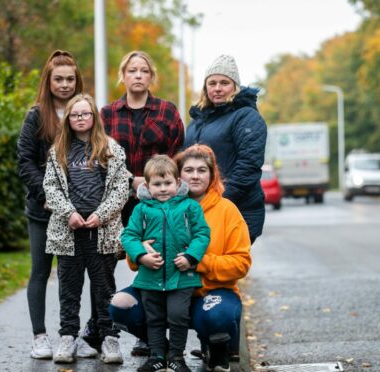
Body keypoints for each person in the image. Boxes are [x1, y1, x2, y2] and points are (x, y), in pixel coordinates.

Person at [110, 144, 252, 372]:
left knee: (217, 316)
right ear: (179, 175)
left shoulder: (227, 211)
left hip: (207, 291)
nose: (195, 175)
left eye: (202, 170)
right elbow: (131, 253)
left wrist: (198, 261)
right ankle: (162, 352)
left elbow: (241, 264)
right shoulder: (147, 208)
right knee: (120, 305)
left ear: (211, 174)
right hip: (159, 284)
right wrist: (140, 252)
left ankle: (216, 351)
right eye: (189, 170)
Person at [94, 50, 186, 355]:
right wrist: (128, 181)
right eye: (131, 70)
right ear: (122, 75)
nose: (137, 75)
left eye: (143, 70)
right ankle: (103, 329)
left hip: (157, 203)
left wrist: (153, 182)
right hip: (117, 204)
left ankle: (150, 334)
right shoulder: (107, 114)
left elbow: (176, 155)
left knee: (152, 263)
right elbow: (98, 157)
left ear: (151, 76)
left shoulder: (167, 112)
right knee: (107, 263)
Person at [16, 49, 97, 360]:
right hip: (43, 212)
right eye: (58, 79)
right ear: (48, 82)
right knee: (40, 271)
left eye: (70, 79)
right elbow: (25, 162)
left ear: (78, 81)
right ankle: (39, 337)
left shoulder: (86, 114)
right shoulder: (36, 116)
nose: (65, 84)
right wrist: (46, 196)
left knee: (74, 276)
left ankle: (76, 335)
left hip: (81, 214)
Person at [43, 94, 128, 364]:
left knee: (104, 288)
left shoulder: (110, 149)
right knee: (69, 289)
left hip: (101, 232)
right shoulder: (58, 151)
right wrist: (68, 212)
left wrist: (101, 215)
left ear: (94, 117)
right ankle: (68, 337)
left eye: (85, 113)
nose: (80, 118)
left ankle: (110, 339)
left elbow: (120, 188)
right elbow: (51, 187)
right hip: (68, 232)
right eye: (75, 114)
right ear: (68, 119)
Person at [121, 154, 210, 372]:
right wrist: (141, 256)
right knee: (154, 318)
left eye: (168, 183)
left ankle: (177, 357)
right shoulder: (141, 209)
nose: (163, 189)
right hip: (150, 277)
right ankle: (157, 355)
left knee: (178, 316)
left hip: (181, 276)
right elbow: (129, 236)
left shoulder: (189, 207)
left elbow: (202, 234)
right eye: (157, 184)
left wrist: (190, 257)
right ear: (147, 186)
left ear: (178, 183)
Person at [184, 55, 267, 243]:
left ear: (235, 86)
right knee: (199, 267)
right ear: (205, 87)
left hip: (236, 208)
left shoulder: (246, 117)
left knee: (224, 268)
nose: (218, 88)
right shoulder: (197, 120)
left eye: (224, 82)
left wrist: (218, 201)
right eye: (212, 83)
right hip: (201, 208)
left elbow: (249, 166)